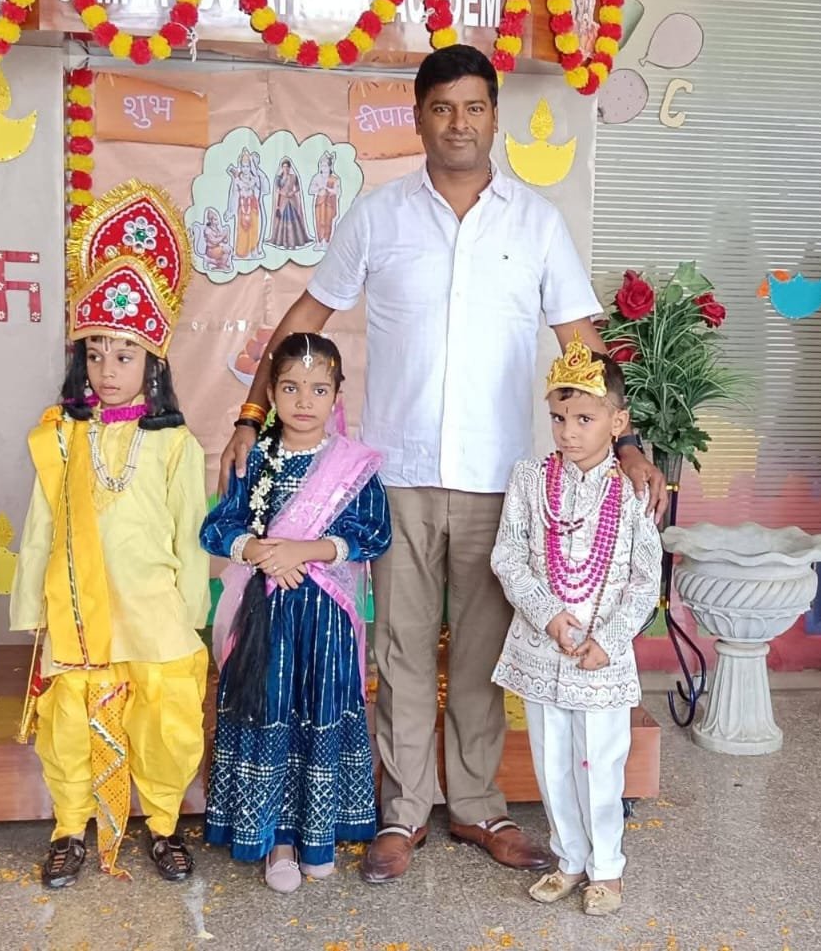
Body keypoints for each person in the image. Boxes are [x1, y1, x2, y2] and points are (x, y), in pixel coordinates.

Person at [219, 45, 666, 885]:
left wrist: (628, 441)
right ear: (419, 118)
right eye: (441, 108)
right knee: (401, 644)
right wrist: (251, 413)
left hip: (503, 478)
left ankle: (477, 804)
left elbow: (581, 343)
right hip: (399, 474)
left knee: (487, 648)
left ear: (495, 116)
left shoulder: (536, 223)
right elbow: (306, 315)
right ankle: (402, 810)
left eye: (474, 107)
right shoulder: (379, 216)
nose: (459, 123)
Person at [9, 181, 211, 889]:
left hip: (155, 612)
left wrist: (192, 609)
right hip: (77, 614)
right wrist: (32, 606)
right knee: (68, 723)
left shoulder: (175, 441)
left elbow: (191, 532)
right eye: (95, 354)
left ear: (153, 362)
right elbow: (42, 523)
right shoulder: (61, 435)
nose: (107, 369)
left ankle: (164, 824)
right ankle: (69, 828)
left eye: (124, 355)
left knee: (166, 721)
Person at [201, 333, 391, 893]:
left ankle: (317, 834)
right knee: (271, 709)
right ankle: (276, 842)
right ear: (270, 394)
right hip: (265, 615)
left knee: (319, 709)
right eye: (290, 388)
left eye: (318, 389)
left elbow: (374, 533)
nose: (304, 401)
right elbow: (218, 527)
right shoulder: (253, 458)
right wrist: (262, 553)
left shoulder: (354, 466)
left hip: (325, 617)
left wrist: (302, 552)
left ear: (337, 396)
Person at [490, 336, 660, 916]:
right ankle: (568, 859)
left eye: (585, 419)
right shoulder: (530, 480)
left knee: (600, 765)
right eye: (559, 418)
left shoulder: (633, 490)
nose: (568, 432)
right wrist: (547, 614)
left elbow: (646, 579)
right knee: (552, 762)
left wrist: (607, 641)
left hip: (600, 659)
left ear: (618, 423)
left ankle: (606, 868)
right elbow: (508, 556)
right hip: (543, 648)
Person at [268, 158, 313, 250]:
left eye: (287, 167)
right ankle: (282, 241)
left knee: (293, 217)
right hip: (282, 201)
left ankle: (294, 242)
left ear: (289, 168)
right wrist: (283, 193)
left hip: (292, 200)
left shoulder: (293, 177)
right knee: (282, 218)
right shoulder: (279, 178)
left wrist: (292, 193)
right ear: (282, 168)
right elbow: (277, 189)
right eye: (284, 167)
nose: (286, 169)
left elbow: (297, 188)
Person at [308, 152, 341, 251]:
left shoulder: (334, 179)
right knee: (319, 222)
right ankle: (319, 242)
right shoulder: (317, 177)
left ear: (330, 167)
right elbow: (311, 190)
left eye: (325, 166)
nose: (323, 168)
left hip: (329, 203)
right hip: (319, 203)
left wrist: (327, 189)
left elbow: (337, 191)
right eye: (322, 165)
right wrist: (318, 188)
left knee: (328, 222)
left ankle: (326, 241)